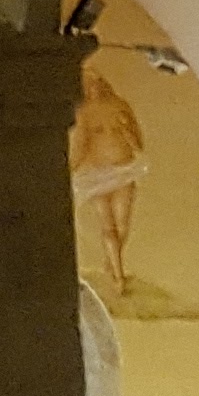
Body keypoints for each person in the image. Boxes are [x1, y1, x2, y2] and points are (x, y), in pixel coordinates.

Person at [71, 51, 147, 299]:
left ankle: (112, 262)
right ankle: (118, 276)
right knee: (108, 227)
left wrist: (126, 131)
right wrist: (70, 169)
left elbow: (138, 142)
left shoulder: (120, 106)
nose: (92, 89)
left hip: (123, 171)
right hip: (97, 173)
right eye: (87, 86)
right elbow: (81, 144)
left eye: (95, 84)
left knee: (122, 224)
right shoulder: (84, 113)